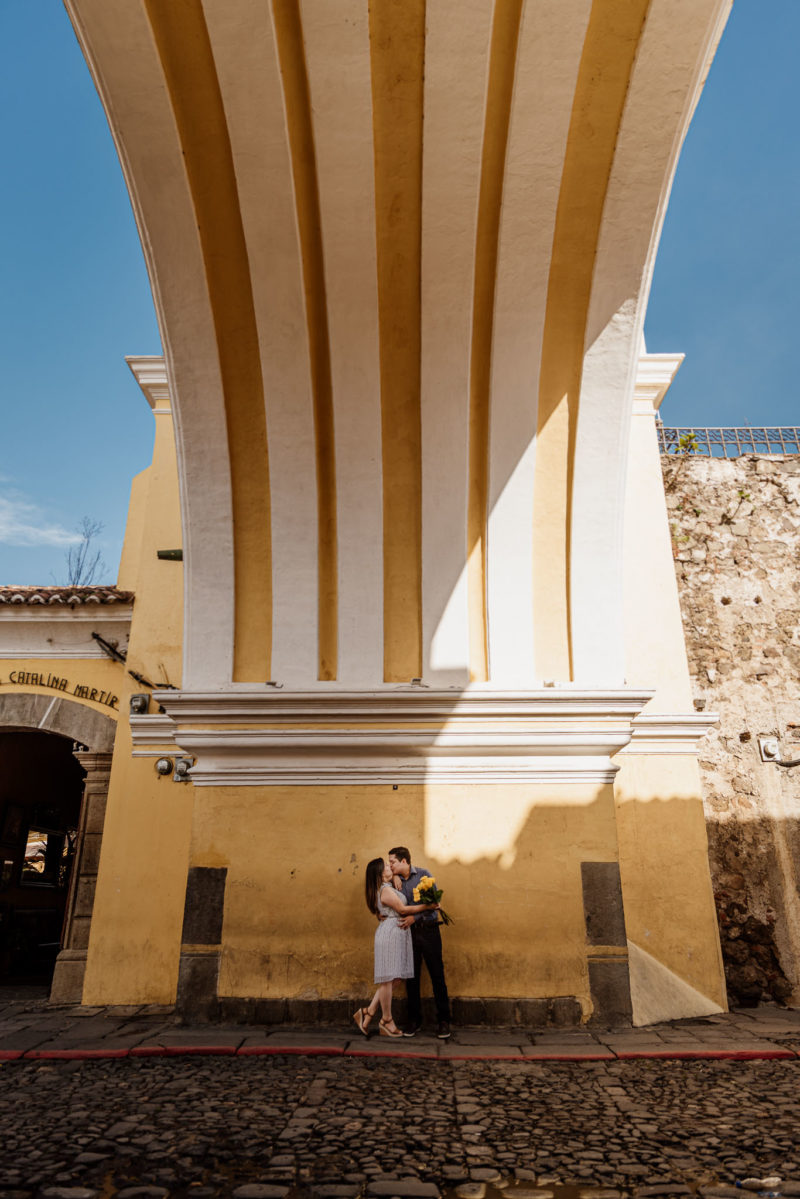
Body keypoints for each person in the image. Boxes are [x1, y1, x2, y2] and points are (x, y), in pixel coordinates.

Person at [353, 857, 438, 1039]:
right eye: (386, 866)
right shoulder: (384, 890)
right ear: (379, 873)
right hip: (391, 934)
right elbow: (402, 910)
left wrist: (394, 878)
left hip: (396, 934)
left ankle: (368, 1012)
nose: (389, 867)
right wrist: (428, 906)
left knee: (395, 979)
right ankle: (386, 1020)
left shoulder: (388, 886)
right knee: (388, 978)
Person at [388, 846, 451, 1039]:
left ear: (404, 861)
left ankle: (444, 1021)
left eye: (393, 862)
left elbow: (433, 907)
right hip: (409, 935)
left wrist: (414, 918)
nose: (390, 865)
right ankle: (414, 1020)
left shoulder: (424, 875)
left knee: (437, 975)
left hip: (430, 931)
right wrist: (393, 876)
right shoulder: (394, 882)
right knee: (412, 979)